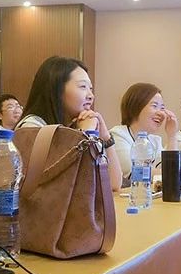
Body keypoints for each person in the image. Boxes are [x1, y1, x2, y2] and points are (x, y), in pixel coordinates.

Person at [16, 55, 122, 190]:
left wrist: (106, 138)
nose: (91, 95)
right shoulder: (31, 128)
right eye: (83, 87)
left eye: (91, 89)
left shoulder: (73, 126)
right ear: (57, 89)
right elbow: (64, 187)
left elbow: (113, 183)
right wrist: (84, 135)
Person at [110, 83, 179, 182]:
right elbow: (133, 173)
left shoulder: (154, 140)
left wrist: (172, 136)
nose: (160, 113)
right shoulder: (118, 135)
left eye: (162, 108)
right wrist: (172, 173)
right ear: (136, 107)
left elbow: (171, 171)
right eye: (154, 106)